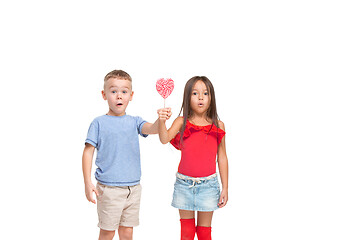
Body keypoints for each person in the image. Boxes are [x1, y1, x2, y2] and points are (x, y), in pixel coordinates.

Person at [82, 70, 171, 240]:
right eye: (113, 91)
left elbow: (151, 129)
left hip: (133, 188)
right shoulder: (98, 123)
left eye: (124, 92)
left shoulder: (134, 121)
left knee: (127, 231)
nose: (119, 96)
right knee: (107, 231)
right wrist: (87, 183)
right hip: (109, 190)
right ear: (104, 94)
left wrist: (161, 120)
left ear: (131, 95)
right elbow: (88, 152)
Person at [158, 76, 229, 240]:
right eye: (195, 93)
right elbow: (164, 139)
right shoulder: (181, 121)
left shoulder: (218, 125)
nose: (201, 97)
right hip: (184, 184)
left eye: (205, 93)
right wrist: (162, 121)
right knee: (187, 232)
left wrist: (225, 187)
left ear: (211, 97)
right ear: (187, 97)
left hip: (209, 185)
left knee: (204, 233)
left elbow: (222, 157)